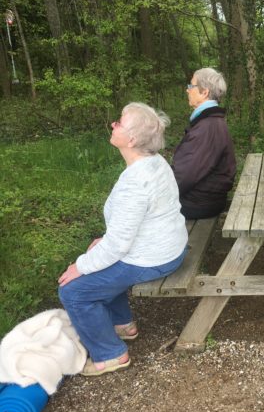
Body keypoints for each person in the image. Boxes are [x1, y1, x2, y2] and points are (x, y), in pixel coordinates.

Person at [58, 103, 188, 376]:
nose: (113, 125)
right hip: (169, 247)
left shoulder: (136, 183)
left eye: (119, 123)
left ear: (131, 140)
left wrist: (79, 266)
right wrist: (101, 246)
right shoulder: (155, 161)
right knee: (99, 257)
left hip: (154, 258)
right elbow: (120, 236)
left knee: (73, 291)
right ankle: (123, 325)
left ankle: (111, 354)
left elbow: (117, 247)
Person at [172, 67, 236, 219]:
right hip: (206, 198)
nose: (187, 90)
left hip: (199, 203)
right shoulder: (211, 122)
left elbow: (184, 177)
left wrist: (159, 197)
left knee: (144, 212)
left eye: (191, 86)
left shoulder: (207, 128)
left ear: (204, 92)